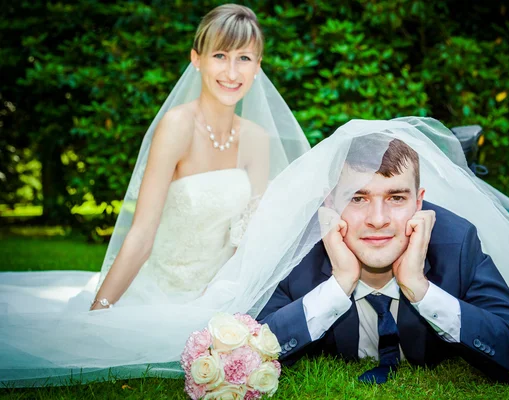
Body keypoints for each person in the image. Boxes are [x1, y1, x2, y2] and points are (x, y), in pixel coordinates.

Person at [0, 4, 309, 386]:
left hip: (219, 295)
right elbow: (142, 233)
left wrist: (228, 303)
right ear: (196, 59)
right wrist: (98, 313)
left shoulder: (257, 140)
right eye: (220, 55)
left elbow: (247, 237)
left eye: (244, 58)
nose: (232, 72)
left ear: (258, 65)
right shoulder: (177, 126)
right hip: (162, 288)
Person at [227, 118, 509, 384]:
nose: (377, 219)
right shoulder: (302, 252)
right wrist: (338, 284)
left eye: (396, 197)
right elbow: (243, 355)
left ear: (420, 203)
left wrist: (421, 289)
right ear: (330, 204)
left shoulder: (457, 245)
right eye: (357, 197)